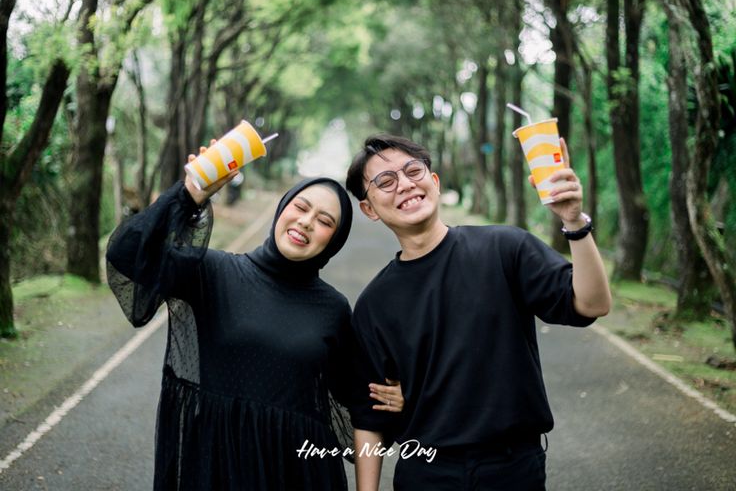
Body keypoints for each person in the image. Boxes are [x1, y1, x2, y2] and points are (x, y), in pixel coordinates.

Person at [106, 149, 404, 491]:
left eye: (325, 221)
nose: (307, 222)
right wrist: (190, 195)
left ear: (333, 241)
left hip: (299, 476)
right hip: (216, 468)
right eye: (301, 207)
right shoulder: (214, 273)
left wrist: (400, 396)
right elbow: (126, 255)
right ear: (282, 209)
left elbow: (361, 401)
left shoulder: (333, 309)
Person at [345, 133, 612, 491]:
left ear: (434, 182)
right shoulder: (374, 304)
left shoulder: (505, 249)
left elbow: (592, 304)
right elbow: (369, 416)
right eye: (386, 181)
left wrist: (575, 222)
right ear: (369, 209)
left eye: (413, 170)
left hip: (513, 468)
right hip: (425, 474)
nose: (405, 185)